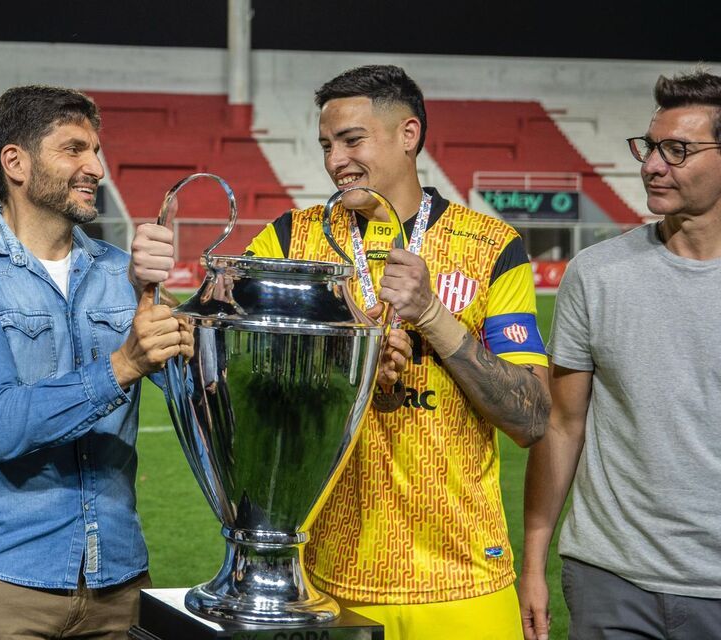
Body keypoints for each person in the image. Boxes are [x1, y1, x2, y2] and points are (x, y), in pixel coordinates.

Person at [132, 64, 551, 639]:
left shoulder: (491, 247)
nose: (335, 161)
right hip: (325, 583)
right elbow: (217, 368)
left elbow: (530, 416)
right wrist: (148, 291)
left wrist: (432, 315)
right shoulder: (286, 239)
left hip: (464, 582)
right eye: (326, 145)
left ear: (409, 134)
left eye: (352, 140)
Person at [0, 86, 193, 639]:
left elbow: (205, 402)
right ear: (15, 163)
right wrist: (122, 364)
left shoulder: (125, 275)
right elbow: (1, 425)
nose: (96, 166)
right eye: (74, 149)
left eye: (96, 149)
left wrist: (189, 321)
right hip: (5, 582)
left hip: (119, 580)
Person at [519, 70, 721, 640]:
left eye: (678, 150)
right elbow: (561, 425)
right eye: (651, 147)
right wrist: (533, 561)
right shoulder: (596, 273)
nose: (653, 165)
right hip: (610, 580)